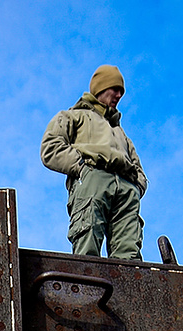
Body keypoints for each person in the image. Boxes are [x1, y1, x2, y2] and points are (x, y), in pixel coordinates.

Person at [41, 65, 148, 260]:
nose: (118, 95)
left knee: (129, 251)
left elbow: (137, 166)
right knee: (87, 241)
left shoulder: (120, 132)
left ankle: (126, 287)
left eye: (121, 92)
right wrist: (82, 168)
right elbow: (50, 147)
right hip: (93, 181)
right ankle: (87, 287)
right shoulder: (74, 116)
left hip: (125, 188)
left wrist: (136, 187)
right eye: (114, 89)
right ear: (101, 88)